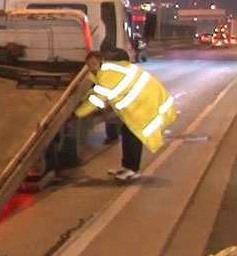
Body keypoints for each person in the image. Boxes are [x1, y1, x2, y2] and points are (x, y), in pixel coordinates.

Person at [75, 51, 177, 182]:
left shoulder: (106, 75)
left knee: (133, 135)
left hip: (143, 103)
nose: (91, 67)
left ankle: (133, 170)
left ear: (100, 62)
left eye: (94, 64)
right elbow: (95, 90)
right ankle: (126, 167)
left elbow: (97, 99)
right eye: (89, 65)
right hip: (141, 101)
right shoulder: (105, 70)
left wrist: (76, 113)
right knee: (127, 132)